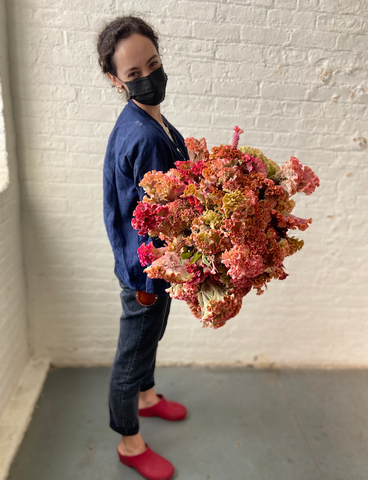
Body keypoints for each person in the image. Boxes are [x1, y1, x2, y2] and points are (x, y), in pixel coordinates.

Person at [96, 16, 189, 480]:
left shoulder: (148, 118)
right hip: (148, 273)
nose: (149, 77)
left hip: (151, 266)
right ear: (115, 80)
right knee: (132, 352)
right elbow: (156, 222)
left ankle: (148, 398)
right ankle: (129, 442)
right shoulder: (145, 137)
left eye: (153, 63)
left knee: (149, 337)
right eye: (134, 75)